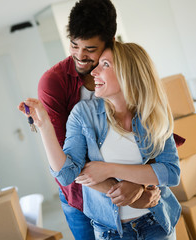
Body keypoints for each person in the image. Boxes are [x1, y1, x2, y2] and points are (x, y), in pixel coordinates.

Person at [37, 0, 176, 238]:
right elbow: (68, 164)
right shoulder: (55, 83)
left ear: (110, 42)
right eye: (74, 45)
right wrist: (128, 192)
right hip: (83, 194)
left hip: (139, 193)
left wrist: (143, 186)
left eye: (90, 49)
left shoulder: (134, 85)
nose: (80, 57)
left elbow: (158, 152)